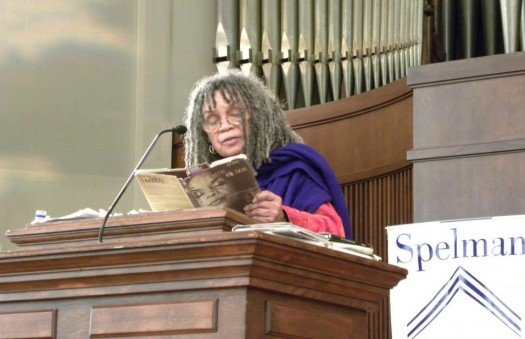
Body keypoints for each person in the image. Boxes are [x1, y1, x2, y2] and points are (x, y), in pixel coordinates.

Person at [183, 69, 352, 239]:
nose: (225, 126)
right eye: (212, 120)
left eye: (235, 114)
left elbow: (336, 231)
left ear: (258, 117)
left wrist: (284, 216)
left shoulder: (292, 169)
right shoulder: (200, 184)